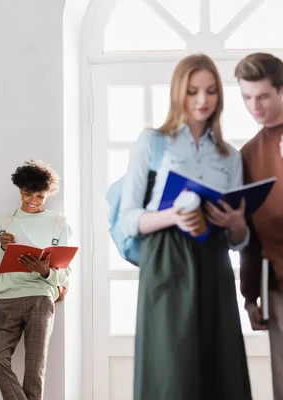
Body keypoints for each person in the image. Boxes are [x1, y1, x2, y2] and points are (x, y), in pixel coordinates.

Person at [118, 54, 252, 399]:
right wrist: (173, 216)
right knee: (170, 373)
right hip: (165, 262)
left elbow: (239, 241)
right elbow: (129, 219)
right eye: (192, 91)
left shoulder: (229, 156)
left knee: (218, 368)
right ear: (178, 92)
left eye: (210, 91)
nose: (202, 100)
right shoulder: (152, 142)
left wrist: (236, 224)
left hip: (213, 261)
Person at [0, 159, 72, 400]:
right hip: (5, 300)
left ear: (48, 194)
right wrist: (3, 249)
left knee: (35, 371)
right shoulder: (1, 224)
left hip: (40, 300)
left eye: (40, 196)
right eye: (27, 193)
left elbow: (65, 273)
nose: (32, 200)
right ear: (19, 189)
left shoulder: (59, 224)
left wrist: (46, 271)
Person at [236, 52, 283, 400]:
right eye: (247, 97)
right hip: (278, 289)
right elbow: (248, 234)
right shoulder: (248, 155)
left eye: (263, 96)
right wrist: (250, 296)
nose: (255, 105)